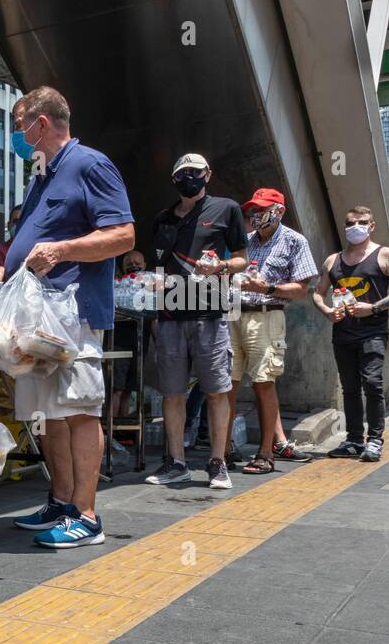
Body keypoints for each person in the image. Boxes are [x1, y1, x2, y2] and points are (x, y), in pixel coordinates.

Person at [0, 86, 135, 548]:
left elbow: (123, 235)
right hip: (39, 315)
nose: (16, 135)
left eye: (18, 125)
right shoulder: (42, 176)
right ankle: (61, 500)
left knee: (78, 409)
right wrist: (9, 265)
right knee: (49, 412)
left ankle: (87, 513)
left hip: (71, 310)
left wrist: (61, 250)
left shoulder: (90, 164)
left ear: (41, 123)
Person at [145, 153, 248, 489]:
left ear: (207, 175)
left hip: (210, 314)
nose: (188, 177)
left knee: (217, 390)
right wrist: (155, 302)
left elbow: (242, 259)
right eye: (182, 173)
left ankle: (218, 463)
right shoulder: (163, 218)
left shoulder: (226, 209)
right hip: (171, 317)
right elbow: (158, 267)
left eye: (195, 172)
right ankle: (176, 462)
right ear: (174, 180)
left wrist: (220, 267)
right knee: (171, 392)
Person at [230, 188, 317, 473]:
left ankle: (266, 453)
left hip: (267, 316)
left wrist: (265, 287)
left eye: (262, 209)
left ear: (278, 211)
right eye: (253, 210)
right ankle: (224, 449)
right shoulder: (245, 241)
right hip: (234, 314)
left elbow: (302, 289)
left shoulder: (295, 241)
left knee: (263, 382)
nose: (256, 215)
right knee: (225, 384)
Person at [314, 205, 389, 461]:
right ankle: (354, 439)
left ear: (372, 225)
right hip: (343, 334)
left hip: (373, 332)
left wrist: (374, 307)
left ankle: (375, 440)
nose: (355, 227)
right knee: (349, 388)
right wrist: (326, 311)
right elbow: (317, 292)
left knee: (372, 383)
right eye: (350, 223)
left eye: (362, 222)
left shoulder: (384, 255)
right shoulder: (333, 260)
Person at [111, 249, 149, 430]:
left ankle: (124, 431)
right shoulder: (117, 286)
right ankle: (111, 431)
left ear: (145, 265)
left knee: (129, 388)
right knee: (116, 388)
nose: (134, 266)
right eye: (129, 263)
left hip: (140, 342)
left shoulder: (149, 286)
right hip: (117, 342)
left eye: (137, 263)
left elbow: (155, 317)